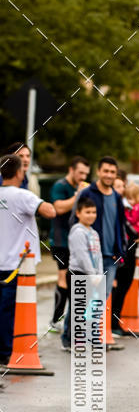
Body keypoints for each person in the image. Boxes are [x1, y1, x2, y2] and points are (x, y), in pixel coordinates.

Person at [0, 154, 55, 365]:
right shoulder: (23, 196)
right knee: (11, 310)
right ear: (18, 172)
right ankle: (5, 351)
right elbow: (49, 211)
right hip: (17, 264)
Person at [48, 156, 90, 332]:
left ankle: (71, 321)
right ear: (71, 170)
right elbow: (58, 208)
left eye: (85, 174)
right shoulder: (60, 186)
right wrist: (78, 195)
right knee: (63, 276)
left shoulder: (81, 187)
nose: (83, 176)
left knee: (76, 278)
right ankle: (56, 319)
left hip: (77, 240)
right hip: (60, 240)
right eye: (80, 172)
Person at [76, 156, 127, 300]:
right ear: (98, 171)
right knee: (82, 299)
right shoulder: (87, 193)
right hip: (89, 256)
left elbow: (120, 225)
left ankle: (91, 323)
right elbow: (74, 222)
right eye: (106, 171)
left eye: (112, 172)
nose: (109, 175)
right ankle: (69, 324)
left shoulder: (117, 198)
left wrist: (121, 250)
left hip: (111, 258)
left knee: (100, 299)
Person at [61, 197, 103, 351]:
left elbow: (97, 255)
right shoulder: (78, 232)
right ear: (78, 213)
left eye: (94, 212)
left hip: (91, 275)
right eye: (87, 212)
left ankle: (81, 338)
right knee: (77, 309)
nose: (91, 215)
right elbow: (82, 255)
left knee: (85, 308)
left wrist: (99, 273)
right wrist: (92, 274)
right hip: (78, 273)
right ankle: (69, 340)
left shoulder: (94, 233)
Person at [110, 172, 139, 336]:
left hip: (129, 250)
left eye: (123, 186)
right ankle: (111, 324)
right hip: (118, 251)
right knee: (116, 287)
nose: (121, 189)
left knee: (125, 285)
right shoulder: (114, 205)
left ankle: (115, 322)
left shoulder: (125, 205)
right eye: (118, 186)